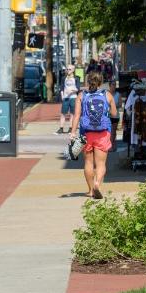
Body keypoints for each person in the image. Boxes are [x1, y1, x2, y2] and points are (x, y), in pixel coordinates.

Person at [70, 71, 117, 199]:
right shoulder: (107, 95)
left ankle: (90, 190)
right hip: (102, 133)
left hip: (86, 133)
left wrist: (73, 132)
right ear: (101, 82)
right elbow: (114, 114)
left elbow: (77, 115)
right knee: (101, 164)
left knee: (88, 163)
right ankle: (97, 184)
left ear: (87, 81)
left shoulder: (81, 95)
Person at [57, 65, 80, 134]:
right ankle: (61, 128)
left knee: (72, 114)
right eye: (67, 69)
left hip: (73, 97)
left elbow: (78, 88)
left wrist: (73, 90)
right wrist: (62, 96)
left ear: (73, 70)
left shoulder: (76, 78)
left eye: (69, 69)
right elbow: (61, 87)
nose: (68, 70)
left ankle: (71, 128)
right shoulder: (64, 78)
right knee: (63, 113)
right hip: (66, 98)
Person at [109, 80, 120, 150]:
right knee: (110, 131)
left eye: (115, 85)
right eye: (113, 85)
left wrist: (112, 105)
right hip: (108, 115)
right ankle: (113, 145)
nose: (114, 86)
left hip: (115, 115)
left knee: (113, 131)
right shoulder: (107, 94)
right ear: (110, 86)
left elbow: (120, 104)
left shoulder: (118, 94)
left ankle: (112, 146)